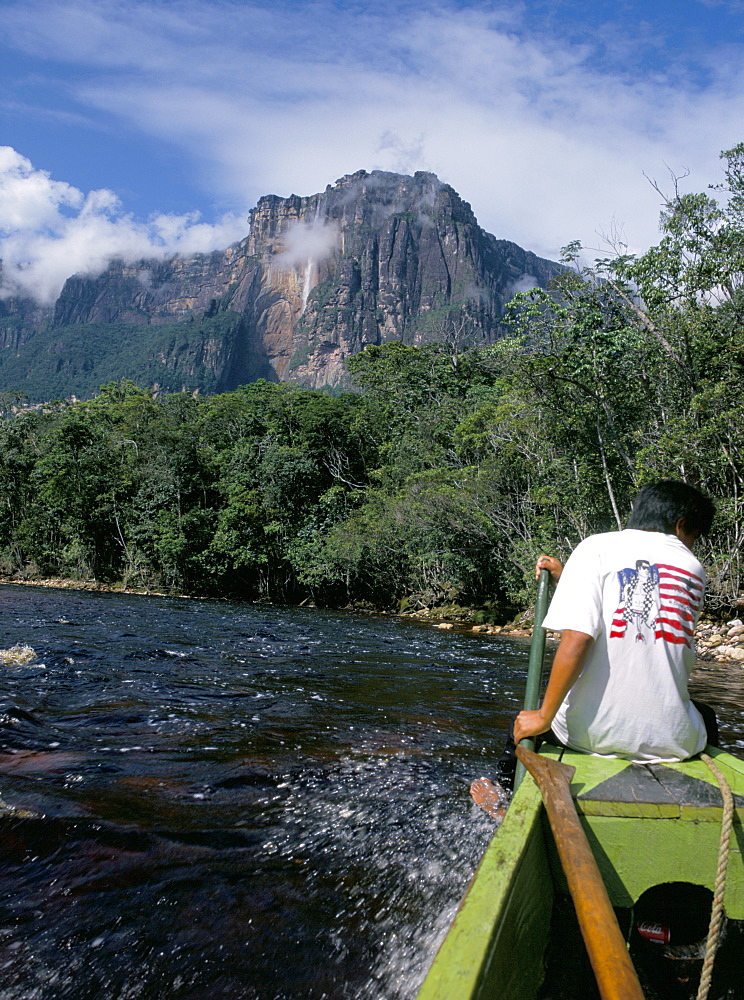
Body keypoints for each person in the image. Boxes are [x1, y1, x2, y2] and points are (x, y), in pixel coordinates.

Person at [513, 480, 717, 760]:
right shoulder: (693, 568)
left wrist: (543, 717)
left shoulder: (596, 547)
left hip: (591, 734)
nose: (692, 542)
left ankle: (500, 794)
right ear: (681, 525)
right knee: (705, 715)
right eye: (696, 535)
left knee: (528, 716)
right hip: (674, 741)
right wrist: (566, 577)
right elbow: (645, 612)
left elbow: (580, 637)